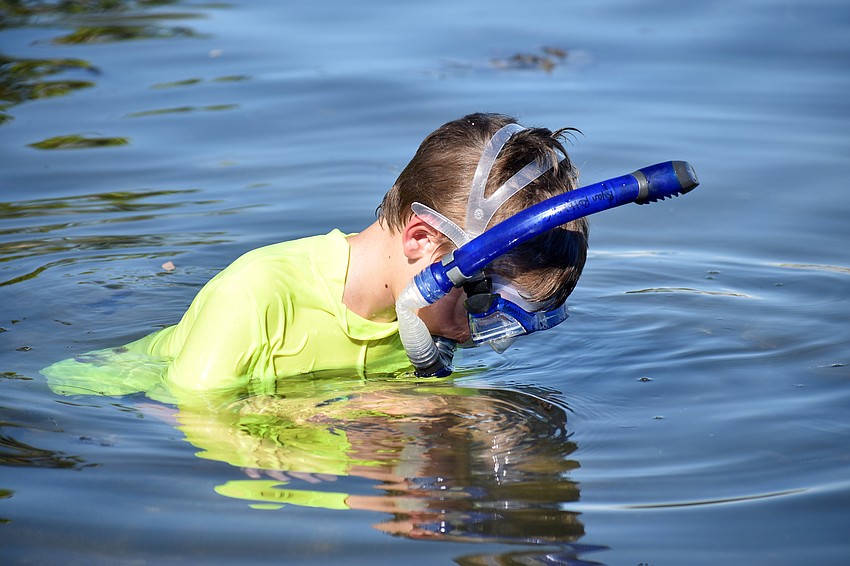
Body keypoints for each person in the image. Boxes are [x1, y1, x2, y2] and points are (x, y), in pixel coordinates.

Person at [43, 112, 589, 398]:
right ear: (422, 240)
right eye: (482, 304)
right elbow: (185, 417)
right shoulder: (259, 294)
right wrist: (354, 415)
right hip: (86, 408)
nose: (477, 334)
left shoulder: (429, 315)